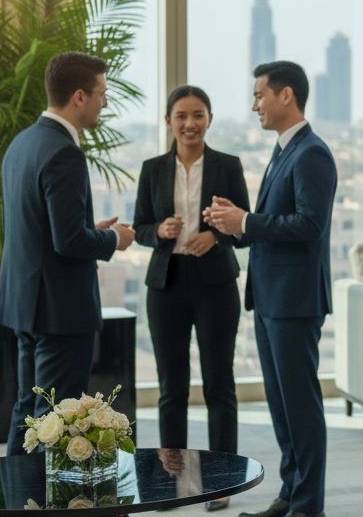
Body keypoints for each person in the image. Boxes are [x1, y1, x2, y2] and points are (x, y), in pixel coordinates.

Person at [203, 60, 336, 517]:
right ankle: (291, 494)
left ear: (286, 96)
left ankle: (308, 506)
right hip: (272, 299)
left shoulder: (311, 152)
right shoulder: (284, 151)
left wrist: (246, 221)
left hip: (295, 301)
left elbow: (309, 224)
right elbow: (279, 221)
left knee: (300, 406)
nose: (254, 104)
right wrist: (238, 220)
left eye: (260, 94)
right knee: (282, 405)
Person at [0, 52, 135, 455]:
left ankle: (17, 503)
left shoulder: (22, 143)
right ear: (78, 96)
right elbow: (68, 242)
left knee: (28, 413)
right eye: (101, 94)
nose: (104, 103)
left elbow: (41, 231)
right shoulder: (64, 152)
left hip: (25, 303)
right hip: (59, 311)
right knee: (55, 420)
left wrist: (94, 232)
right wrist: (115, 240)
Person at [133, 86, 248, 513]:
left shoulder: (228, 166)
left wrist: (214, 236)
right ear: (168, 122)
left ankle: (221, 483)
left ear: (210, 119)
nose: (189, 123)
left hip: (216, 283)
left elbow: (241, 225)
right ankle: (173, 480)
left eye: (198, 115)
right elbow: (140, 225)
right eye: (181, 115)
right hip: (167, 284)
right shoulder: (151, 169)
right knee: (172, 389)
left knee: (220, 385)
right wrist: (159, 232)